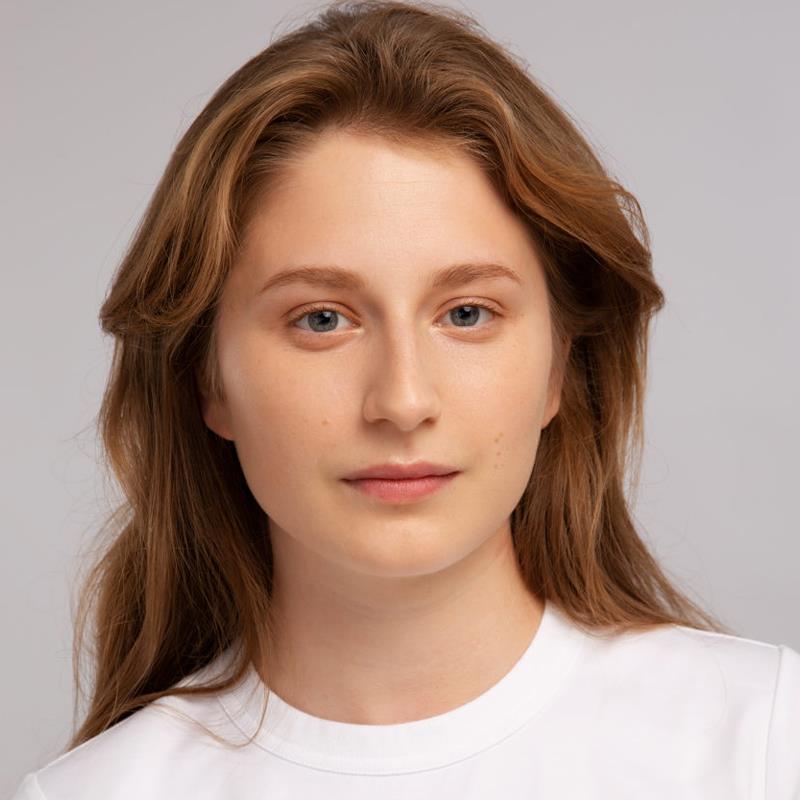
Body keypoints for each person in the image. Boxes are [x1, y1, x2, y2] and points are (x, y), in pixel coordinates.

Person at [11, 0, 800, 797]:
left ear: (560, 365)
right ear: (207, 379)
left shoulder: (762, 741)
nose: (403, 400)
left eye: (467, 314)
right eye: (322, 319)